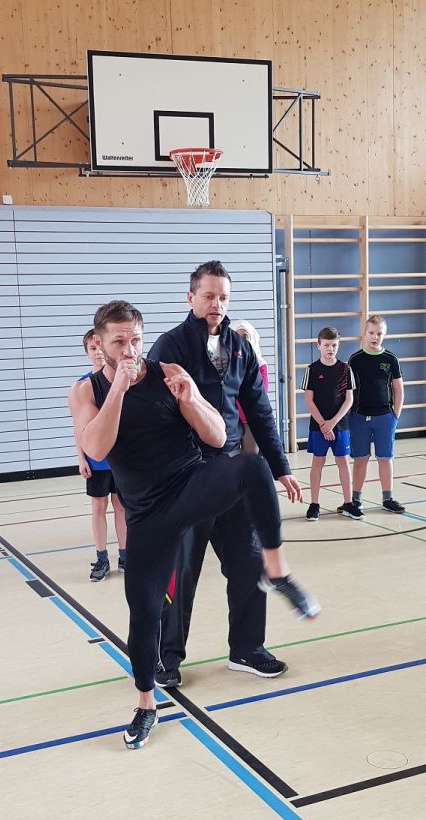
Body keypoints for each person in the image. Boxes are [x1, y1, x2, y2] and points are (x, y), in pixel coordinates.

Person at [68, 300, 318, 749]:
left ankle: (276, 571)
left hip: (190, 484)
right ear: (99, 345)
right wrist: (119, 389)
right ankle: (146, 704)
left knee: (251, 467)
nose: (130, 350)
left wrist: (192, 398)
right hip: (147, 515)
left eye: (135, 340)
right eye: (119, 342)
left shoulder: (167, 372)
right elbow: (97, 448)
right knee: (145, 612)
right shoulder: (87, 391)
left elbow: (218, 437)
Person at [148, 260, 304, 689]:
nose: (216, 304)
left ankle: (247, 649)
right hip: (187, 478)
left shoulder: (240, 348)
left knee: (249, 562)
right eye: (209, 296)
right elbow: (154, 416)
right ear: (191, 297)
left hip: (233, 476)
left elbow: (260, 411)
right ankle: (165, 657)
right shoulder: (169, 347)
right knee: (180, 572)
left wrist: (280, 467)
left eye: (223, 297)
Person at [69, 329, 127, 580]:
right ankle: (101, 558)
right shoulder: (82, 387)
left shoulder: (122, 382)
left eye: (99, 347)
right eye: (92, 349)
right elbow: (79, 426)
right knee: (98, 506)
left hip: (121, 458)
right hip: (97, 459)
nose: (97, 352)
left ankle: (125, 555)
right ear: (87, 353)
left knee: (122, 506)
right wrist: (81, 458)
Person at [301, 326, 363, 522]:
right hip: (318, 426)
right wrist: (323, 424)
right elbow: (309, 401)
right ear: (318, 345)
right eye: (327, 345)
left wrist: (332, 423)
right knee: (317, 462)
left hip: (340, 425)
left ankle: (348, 503)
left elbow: (349, 400)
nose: (330, 349)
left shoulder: (346, 369)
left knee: (343, 462)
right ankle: (314, 504)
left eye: (334, 345)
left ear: (338, 345)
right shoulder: (311, 370)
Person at [345, 315, 405, 514]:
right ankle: (356, 499)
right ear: (365, 334)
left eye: (379, 333)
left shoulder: (391, 359)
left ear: (384, 335)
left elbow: (398, 389)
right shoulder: (355, 359)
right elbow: (348, 389)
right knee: (360, 459)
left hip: (385, 417)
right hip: (359, 417)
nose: (375, 337)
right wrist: (349, 415)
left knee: (385, 458)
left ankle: (388, 498)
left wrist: (395, 416)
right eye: (371, 333)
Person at [230, 320, 268, 453]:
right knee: (229, 459)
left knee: (250, 458)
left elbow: (261, 393)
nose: (241, 340)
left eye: (245, 336)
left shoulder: (260, 365)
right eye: (237, 336)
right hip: (230, 419)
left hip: (250, 419)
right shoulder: (225, 363)